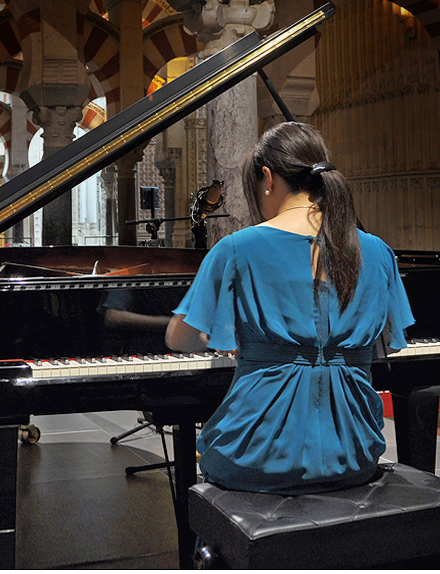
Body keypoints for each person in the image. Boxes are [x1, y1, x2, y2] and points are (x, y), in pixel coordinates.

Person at [165, 122, 415, 495]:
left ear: (267, 177)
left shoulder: (237, 248)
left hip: (259, 456)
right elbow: (387, 343)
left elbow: (181, 338)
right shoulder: (378, 251)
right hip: (355, 453)